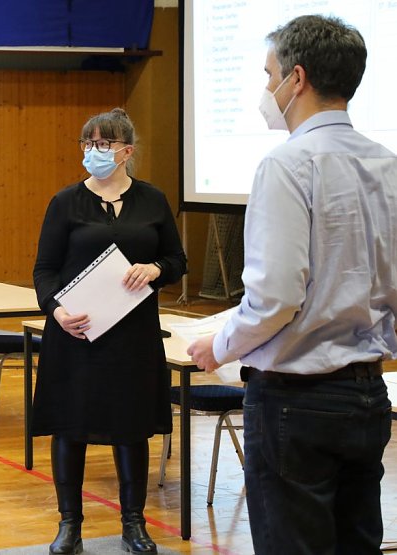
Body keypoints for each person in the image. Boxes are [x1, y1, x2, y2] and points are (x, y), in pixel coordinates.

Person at [187, 15, 395, 555]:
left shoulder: (286, 164)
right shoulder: (387, 164)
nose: (266, 88)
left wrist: (220, 346)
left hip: (295, 403)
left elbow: (275, 298)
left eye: (267, 74)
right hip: (368, 394)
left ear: (296, 79)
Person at [32, 107, 187, 554]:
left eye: (102, 144)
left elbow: (177, 262)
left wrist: (154, 268)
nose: (93, 152)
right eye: (87, 144)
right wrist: (57, 310)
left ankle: (134, 524)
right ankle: (69, 525)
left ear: (126, 151)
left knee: (130, 427)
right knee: (70, 427)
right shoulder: (65, 202)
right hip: (76, 334)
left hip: (133, 337)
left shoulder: (152, 200)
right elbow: (44, 271)